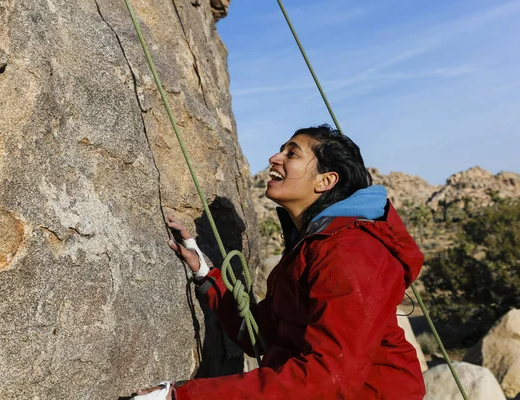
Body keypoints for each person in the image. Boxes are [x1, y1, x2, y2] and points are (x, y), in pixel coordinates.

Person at [137, 124, 426, 399]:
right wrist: (204, 271)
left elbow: (328, 378)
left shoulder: (352, 251)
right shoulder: (312, 246)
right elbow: (263, 335)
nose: (274, 158)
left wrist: (182, 396)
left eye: (292, 153)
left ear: (325, 181)